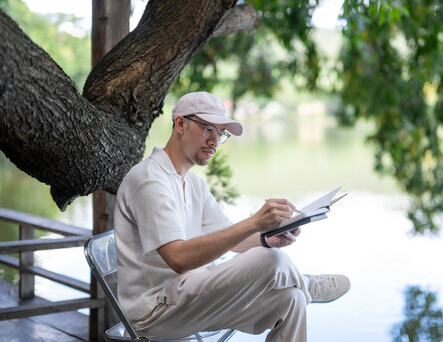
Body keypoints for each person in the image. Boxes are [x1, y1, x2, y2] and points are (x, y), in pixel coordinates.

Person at [114, 91, 350, 341]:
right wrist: (255, 223)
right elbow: (178, 258)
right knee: (270, 261)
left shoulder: (193, 184)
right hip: (155, 312)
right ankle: (306, 283)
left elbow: (231, 237)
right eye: (208, 129)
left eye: (220, 133)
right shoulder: (150, 180)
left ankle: (302, 288)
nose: (215, 141)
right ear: (181, 124)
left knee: (292, 299)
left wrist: (266, 238)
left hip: (188, 299)